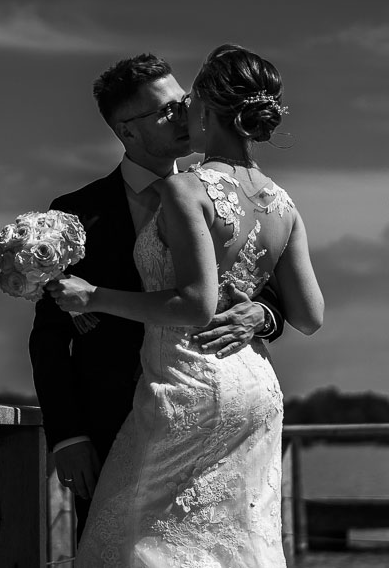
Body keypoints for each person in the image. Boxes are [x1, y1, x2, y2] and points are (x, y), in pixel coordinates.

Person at [50, 44, 324, 566]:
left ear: (205, 108)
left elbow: (198, 304)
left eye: (186, 102)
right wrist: (68, 436)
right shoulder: (281, 201)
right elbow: (312, 314)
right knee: (238, 536)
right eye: (165, 108)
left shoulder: (185, 188)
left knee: (133, 543)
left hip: (185, 384)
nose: (180, 114)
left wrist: (95, 298)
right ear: (127, 128)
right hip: (254, 389)